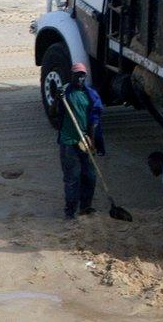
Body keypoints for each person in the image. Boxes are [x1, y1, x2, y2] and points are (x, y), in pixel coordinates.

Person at [49, 63, 104, 219]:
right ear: (72, 76)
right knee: (72, 177)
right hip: (68, 141)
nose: (80, 78)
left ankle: (86, 207)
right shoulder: (65, 92)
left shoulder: (90, 95)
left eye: (82, 75)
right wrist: (56, 99)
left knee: (90, 176)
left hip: (85, 141)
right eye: (77, 75)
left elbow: (94, 119)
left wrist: (92, 141)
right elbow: (53, 113)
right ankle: (70, 211)